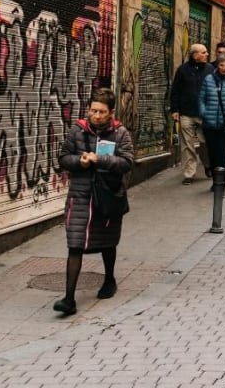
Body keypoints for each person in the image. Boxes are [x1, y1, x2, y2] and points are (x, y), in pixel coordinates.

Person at [54, 87, 134, 316]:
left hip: (107, 197)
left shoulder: (120, 134)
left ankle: (109, 279)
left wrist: (101, 160)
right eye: (93, 111)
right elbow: (63, 158)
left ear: (111, 113)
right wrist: (80, 161)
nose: (96, 116)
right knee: (75, 245)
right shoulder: (77, 131)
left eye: (102, 112)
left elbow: (127, 162)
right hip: (80, 196)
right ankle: (69, 299)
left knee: (107, 242)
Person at [198, 53, 225, 189]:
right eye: (221, 65)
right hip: (209, 124)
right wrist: (204, 112)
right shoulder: (208, 79)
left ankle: (221, 183)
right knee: (212, 155)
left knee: (223, 155)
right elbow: (201, 98)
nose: (224, 68)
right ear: (217, 66)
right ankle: (215, 180)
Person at [169, 43, 211, 185]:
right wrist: (174, 109)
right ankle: (189, 173)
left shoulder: (210, 69)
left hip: (204, 114)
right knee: (188, 144)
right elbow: (175, 90)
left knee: (205, 142)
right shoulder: (183, 70)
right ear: (195, 55)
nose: (207, 54)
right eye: (204, 52)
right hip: (186, 112)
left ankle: (207, 164)